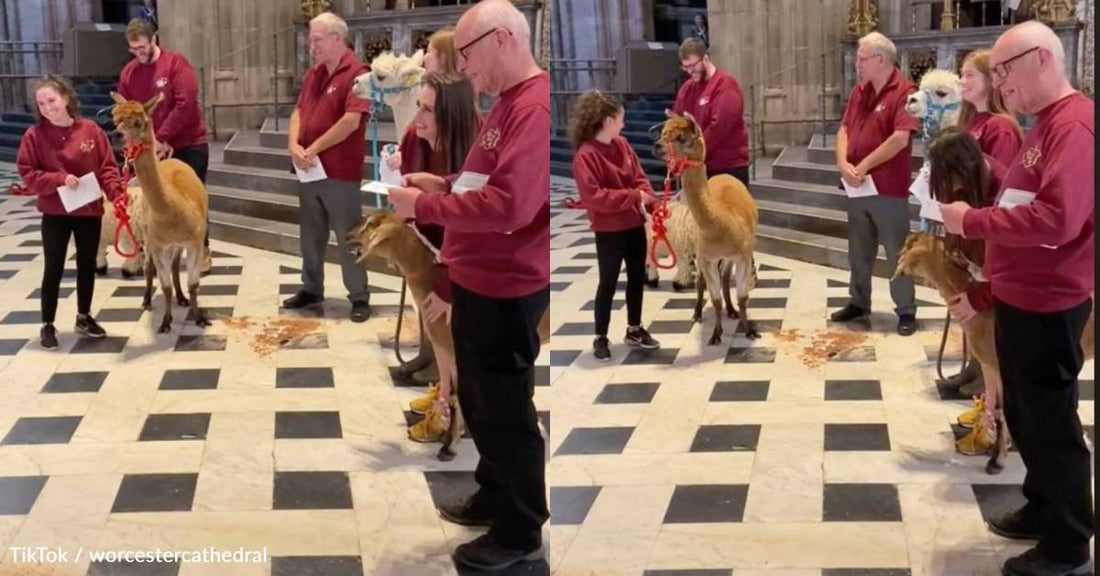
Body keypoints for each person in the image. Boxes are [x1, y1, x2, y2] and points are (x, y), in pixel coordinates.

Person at [388, 0, 549, 570]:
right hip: (480, 276)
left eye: (469, 54)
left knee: (506, 409)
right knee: (482, 400)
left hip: (508, 282)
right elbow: (483, 179)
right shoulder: (505, 105)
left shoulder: (531, 108)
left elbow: (511, 205)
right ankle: (495, 492)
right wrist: (445, 181)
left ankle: (519, 530)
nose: (464, 68)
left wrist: (426, 204)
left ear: (502, 39)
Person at [941, 21, 1094, 576]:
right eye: (997, 73)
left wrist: (972, 220)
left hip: (1051, 301)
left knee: (1052, 423)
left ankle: (1069, 543)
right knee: (1028, 418)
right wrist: (986, 286)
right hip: (1021, 295)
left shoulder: (1073, 126)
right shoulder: (1043, 122)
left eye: (1005, 70)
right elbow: (1023, 200)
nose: (1000, 83)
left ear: (1043, 60)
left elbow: (1058, 220)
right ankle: (1042, 506)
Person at [395, 72, 482, 442]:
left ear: (451, 115)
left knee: (453, 340)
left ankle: (452, 411)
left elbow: (471, 229)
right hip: (439, 257)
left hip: (468, 269)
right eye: (419, 106)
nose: (418, 116)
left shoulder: (474, 152)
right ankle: (444, 394)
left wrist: (447, 285)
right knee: (441, 337)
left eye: (427, 109)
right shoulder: (427, 141)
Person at [941, 48, 1024, 420]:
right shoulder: (971, 121)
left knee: (985, 309)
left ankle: (991, 385)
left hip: (986, 227)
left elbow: (1003, 184)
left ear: (991, 82)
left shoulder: (1000, 126)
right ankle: (975, 370)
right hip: (968, 226)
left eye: (969, 76)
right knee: (968, 305)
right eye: (961, 75)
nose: (962, 82)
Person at [15, 76, 126, 350]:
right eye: (41, 103)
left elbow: (107, 168)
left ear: (65, 98)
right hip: (56, 212)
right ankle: (48, 324)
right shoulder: (34, 136)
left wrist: (117, 195)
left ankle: (84, 316)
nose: (47, 107)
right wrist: (58, 179)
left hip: (88, 210)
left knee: (87, 265)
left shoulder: (90, 131)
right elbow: (28, 173)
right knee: (53, 267)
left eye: (51, 100)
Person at [385, 27, 463, 386]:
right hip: (419, 216)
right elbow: (414, 139)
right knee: (422, 290)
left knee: (440, 293)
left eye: (429, 51)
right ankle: (428, 353)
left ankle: (444, 366)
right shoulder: (428, 102)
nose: (424, 56)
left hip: (443, 225)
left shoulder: (459, 112)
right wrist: (401, 162)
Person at [283, 12, 372, 323]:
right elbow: (298, 111)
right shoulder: (314, 74)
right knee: (310, 233)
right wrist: (293, 146)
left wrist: (312, 148)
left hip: (338, 171)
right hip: (309, 168)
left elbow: (351, 122)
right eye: (311, 40)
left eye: (317, 39)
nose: (312, 46)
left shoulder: (358, 73)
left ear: (337, 38)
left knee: (348, 236)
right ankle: (311, 287)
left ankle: (359, 296)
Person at [924, 128, 1008, 457]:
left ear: (961, 170)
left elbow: (1006, 257)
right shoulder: (974, 181)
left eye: (947, 180)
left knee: (1000, 356)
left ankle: (1000, 425)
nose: (947, 190)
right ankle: (990, 408)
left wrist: (977, 297)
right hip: (985, 279)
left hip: (1012, 287)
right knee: (985, 351)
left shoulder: (1002, 189)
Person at [831, 31, 919, 336]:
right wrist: (842, 163)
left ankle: (906, 309)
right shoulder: (860, 91)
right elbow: (844, 128)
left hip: (886, 187)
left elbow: (900, 138)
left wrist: (863, 165)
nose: (858, 64)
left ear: (880, 60)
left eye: (862, 58)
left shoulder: (905, 91)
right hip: (856, 185)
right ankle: (858, 301)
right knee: (858, 249)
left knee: (897, 250)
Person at [569, 90, 661, 361]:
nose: (624, 122)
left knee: (636, 278)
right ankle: (601, 335)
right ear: (608, 120)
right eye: (620, 118)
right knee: (607, 281)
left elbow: (639, 178)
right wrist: (633, 196)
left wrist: (650, 199)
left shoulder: (622, 145)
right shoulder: (586, 156)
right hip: (609, 231)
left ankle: (634, 327)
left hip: (633, 223)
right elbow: (595, 198)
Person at [118, 18, 209, 273]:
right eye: (133, 50)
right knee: (155, 201)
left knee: (192, 200)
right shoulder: (129, 73)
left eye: (142, 47)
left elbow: (185, 103)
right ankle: (153, 250)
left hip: (187, 142)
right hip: (150, 149)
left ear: (154, 39)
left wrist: (163, 137)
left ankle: (202, 249)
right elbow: (127, 110)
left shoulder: (176, 64)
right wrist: (141, 142)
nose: (139, 53)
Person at [671, 37, 749, 185]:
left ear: (705, 58)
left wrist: (692, 153)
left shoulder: (725, 86)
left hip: (727, 168)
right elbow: (677, 121)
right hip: (698, 166)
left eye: (693, 66)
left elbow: (718, 128)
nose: (689, 71)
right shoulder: (687, 88)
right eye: (685, 67)